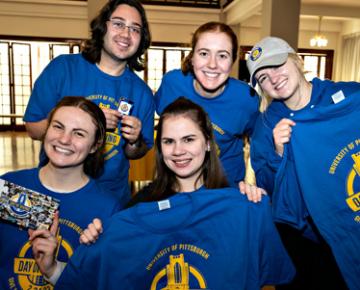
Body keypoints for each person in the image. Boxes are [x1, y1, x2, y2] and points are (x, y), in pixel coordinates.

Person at [48, 97, 295, 289]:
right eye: (168, 141)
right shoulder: (137, 207)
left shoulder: (238, 205)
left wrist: (252, 200)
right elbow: (99, 275)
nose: (178, 151)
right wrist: (97, 242)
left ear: (208, 143)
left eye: (188, 139)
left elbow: (262, 273)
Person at [246, 36, 360, 290]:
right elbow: (267, 186)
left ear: (295, 60)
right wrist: (278, 153)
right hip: (303, 237)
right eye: (263, 78)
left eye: (277, 65)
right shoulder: (265, 124)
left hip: (350, 221)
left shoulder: (348, 97)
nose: (273, 79)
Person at [23, 0, 155, 205]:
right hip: (53, 191)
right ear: (102, 26)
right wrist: (86, 118)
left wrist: (134, 140)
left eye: (135, 29)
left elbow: (136, 153)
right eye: (118, 24)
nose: (126, 34)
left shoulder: (143, 93)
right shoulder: (63, 69)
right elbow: (33, 130)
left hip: (111, 198)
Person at [0, 97, 121, 290]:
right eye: (58, 127)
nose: (64, 139)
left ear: (95, 145)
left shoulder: (107, 207)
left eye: (79, 133)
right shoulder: (10, 186)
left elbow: (105, 281)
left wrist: (55, 268)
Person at [155, 22, 259, 188]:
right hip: (177, 189)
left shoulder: (246, 100)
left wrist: (255, 186)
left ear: (233, 60)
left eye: (222, 56)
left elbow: (261, 148)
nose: (212, 64)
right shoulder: (172, 84)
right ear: (192, 57)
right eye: (204, 53)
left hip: (224, 191)